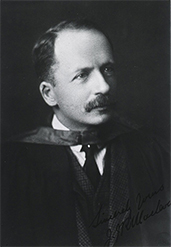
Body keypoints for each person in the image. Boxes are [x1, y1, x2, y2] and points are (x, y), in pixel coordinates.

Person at [2, 19, 170, 246]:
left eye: (107, 69)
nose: (104, 86)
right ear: (49, 94)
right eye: (82, 75)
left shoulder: (154, 152)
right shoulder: (11, 166)